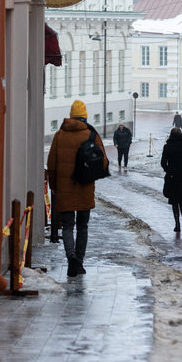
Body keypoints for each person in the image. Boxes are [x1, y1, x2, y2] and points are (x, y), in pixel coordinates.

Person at [47, 100, 109, 277]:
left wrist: (54, 187)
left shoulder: (59, 135)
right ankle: (79, 262)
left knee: (67, 226)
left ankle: (71, 259)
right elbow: (103, 162)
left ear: (71, 115)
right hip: (84, 188)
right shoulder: (91, 134)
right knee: (83, 226)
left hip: (64, 190)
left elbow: (51, 164)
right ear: (85, 116)